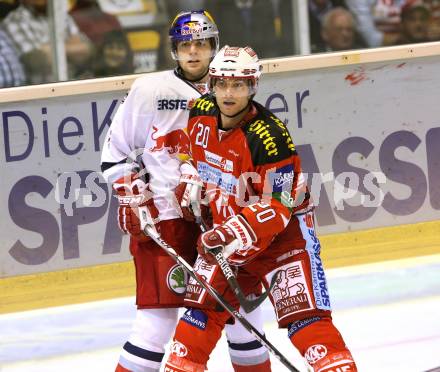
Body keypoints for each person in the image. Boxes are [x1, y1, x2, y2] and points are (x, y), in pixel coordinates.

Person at [163, 45, 358, 372]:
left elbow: (277, 206)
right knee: (194, 326)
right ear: (211, 83)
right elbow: (192, 154)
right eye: (222, 83)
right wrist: (190, 179)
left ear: (252, 86)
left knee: (307, 326)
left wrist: (227, 231)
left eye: (238, 85)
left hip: (285, 239)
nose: (228, 92)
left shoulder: (270, 137)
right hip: (232, 245)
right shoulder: (199, 112)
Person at [101, 10, 271, 372]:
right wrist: (132, 194)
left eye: (201, 44)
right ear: (174, 50)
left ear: (214, 46)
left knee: (241, 319)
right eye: (185, 44)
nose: (193, 52)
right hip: (167, 219)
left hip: (223, 222)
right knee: (157, 323)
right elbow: (114, 155)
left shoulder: (230, 86)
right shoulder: (150, 90)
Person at [2, 0, 91, 83]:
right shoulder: (16, 20)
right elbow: (41, 60)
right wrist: (70, 48)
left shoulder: (61, 16)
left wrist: (51, 48)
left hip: (76, 84)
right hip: (44, 92)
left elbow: (87, 50)